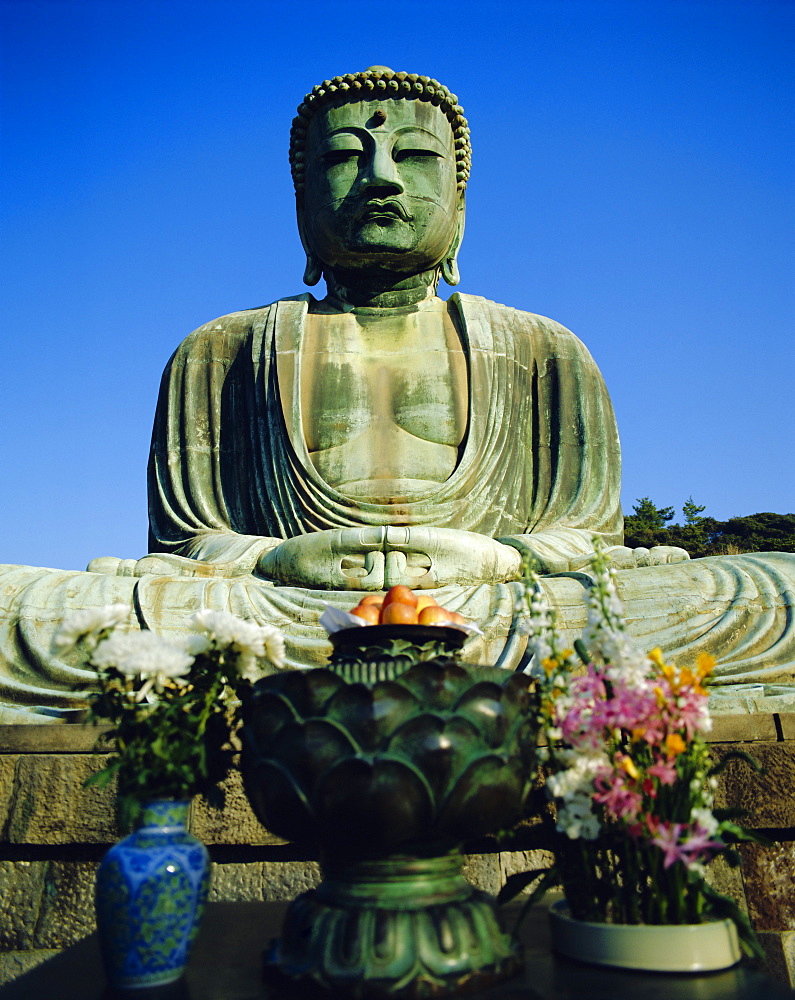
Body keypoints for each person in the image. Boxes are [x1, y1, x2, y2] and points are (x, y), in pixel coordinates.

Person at [1, 67, 793, 721]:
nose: (379, 179)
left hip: (494, 612)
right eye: (344, 159)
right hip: (285, 616)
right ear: (302, 202)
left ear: (458, 199)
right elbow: (187, 545)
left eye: (412, 158)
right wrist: (281, 557)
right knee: (18, 608)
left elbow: (584, 538)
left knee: (770, 594)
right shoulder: (220, 351)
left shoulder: (542, 350)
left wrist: (489, 554)